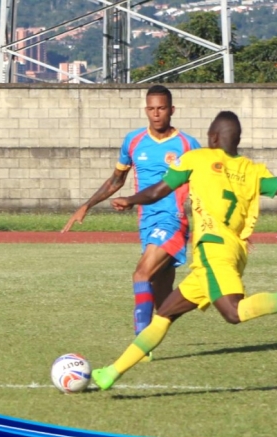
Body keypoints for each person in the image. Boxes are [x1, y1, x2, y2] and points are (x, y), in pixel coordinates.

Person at [92, 110, 277, 390]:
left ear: (213, 137)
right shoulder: (252, 170)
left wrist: (130, 199)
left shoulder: (196, 159)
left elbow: (157, 191)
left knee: (233, 313)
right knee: (164, 314)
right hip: (233, 252)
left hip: (212, 250)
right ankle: (110, 373)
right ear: (237, 139)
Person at [62, 86, 201, 361]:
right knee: (164, 301)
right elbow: (117, 180)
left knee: (140, 274)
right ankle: (206, 295)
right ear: (146, 110)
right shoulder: (134, 141)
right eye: (151, 108)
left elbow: (204, 184)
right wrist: (87, 205)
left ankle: (139, 347)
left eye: (162, 108)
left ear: (172, 110)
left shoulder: (188, 145)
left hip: (172, 221)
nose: (156, 113)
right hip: (146, 223)